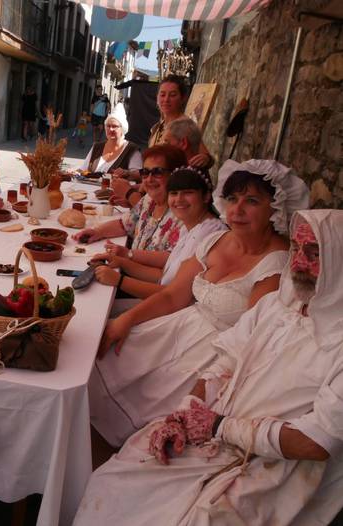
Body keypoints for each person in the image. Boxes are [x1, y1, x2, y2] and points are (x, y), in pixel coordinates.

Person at [74, 209, 343, 526]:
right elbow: (226, 360)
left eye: (314, 254)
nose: (299, 263)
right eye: (296, 249)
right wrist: (185, 413)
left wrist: (220, 426)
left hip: (275, 464)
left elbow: (315, 442)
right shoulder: (277, 307)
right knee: (114, 481)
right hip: (218, 430)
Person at [88, 160, 310, 449]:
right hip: (176, 329)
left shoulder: (276, 264)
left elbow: (249, 342)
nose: (237, 210)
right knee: (95, 358)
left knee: (144, 422)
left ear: (276, 207)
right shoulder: (216, 240)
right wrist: (125, 320)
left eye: (252, 201)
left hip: (213, 357)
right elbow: (173, 296)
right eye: (232, 198)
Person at [92, 166, 227, 299]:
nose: (179, 199)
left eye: (188, 193)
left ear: (206, 196)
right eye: (174, 193)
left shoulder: (210, 236)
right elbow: (164, 277)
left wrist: (119, 280)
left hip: (171, 307)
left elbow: (175, 296)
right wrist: (122, 262)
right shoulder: (190, 227)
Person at [72, 145, 187, 255]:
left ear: (175, 175)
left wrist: (127, 257)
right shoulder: (149, 200)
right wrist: (97, 232)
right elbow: (125, 224)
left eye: (158, 172)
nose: (149, 179)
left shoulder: (183, 214)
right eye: (145, 172)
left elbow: (169, 262)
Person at [148, 75, 213, 169]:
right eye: (162, 95)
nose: (166, 99)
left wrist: (206, 158)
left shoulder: (184, 126)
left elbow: (206, 157)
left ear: (182, 98)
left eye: (172, 95)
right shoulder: (160, 125)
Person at [79, 106, 141, 178]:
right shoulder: (97, 147)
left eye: (114, 126)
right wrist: (73, 173)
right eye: (108, 126)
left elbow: (139, 176)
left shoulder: (131, 149)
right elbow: (83, 170)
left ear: (122, 129)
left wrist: (127, 173)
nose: (110, 129)